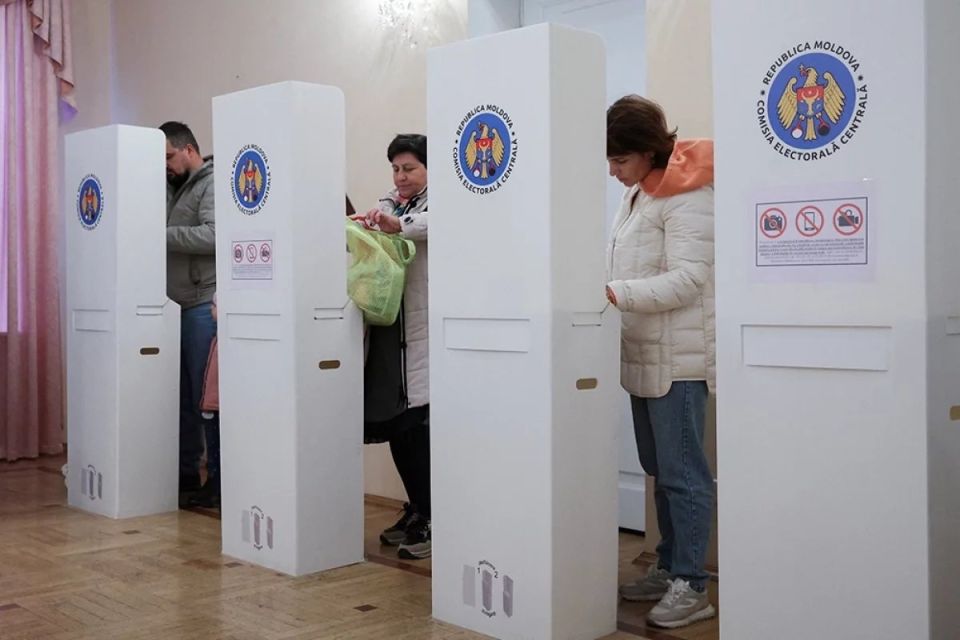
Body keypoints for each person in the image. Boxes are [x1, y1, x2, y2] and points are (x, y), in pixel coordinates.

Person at [604, 96, 716, 629]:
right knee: (660, 473)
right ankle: (670, 565)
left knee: (684, 476)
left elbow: (690, 279)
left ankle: (692, 585)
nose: (613, 170)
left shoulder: (688, 195)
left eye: (620, 159)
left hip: (678, 362)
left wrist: (616, 293)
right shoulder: (638, 193)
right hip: (643, 352)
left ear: (648, 150)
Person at [350, 134, 431, 560]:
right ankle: (417, 507)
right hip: (392, 328)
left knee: (417, 428)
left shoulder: (442, 204)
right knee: (397, 424)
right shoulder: (391, 204)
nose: (401, 177)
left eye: (410, 168)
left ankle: (432, 515)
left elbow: (431, 225)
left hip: (423, 329)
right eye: (396, 169)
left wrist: (396, 225)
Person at [160, 121, 220, 509]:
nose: (165, 165)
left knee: (205, 398)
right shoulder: (169, 186)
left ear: (189, 150)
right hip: (173, 305)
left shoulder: (211, 183)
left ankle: (216, 478)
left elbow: (215, 234)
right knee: (180, 397)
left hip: (202, 303)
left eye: (168, 156)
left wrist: (160, 234)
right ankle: (185, 474)